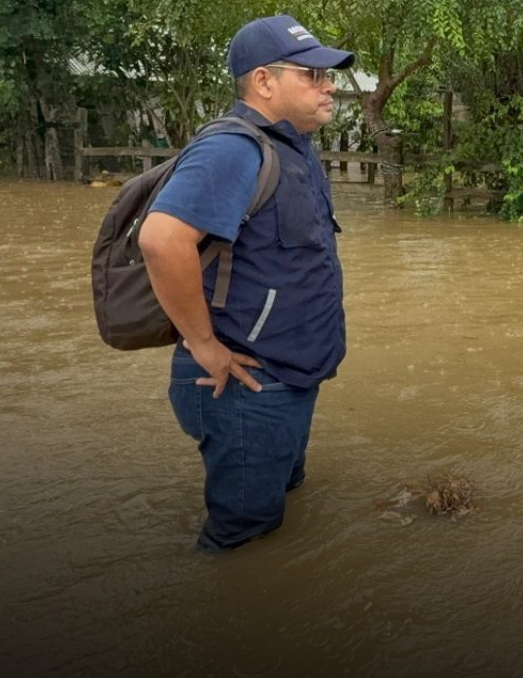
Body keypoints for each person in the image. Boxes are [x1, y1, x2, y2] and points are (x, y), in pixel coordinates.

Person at [138, 15, 355, 552]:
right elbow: (162, 241)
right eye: (312, 75)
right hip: (245, 385)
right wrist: (205, 346)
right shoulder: (234, 150)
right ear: (263, 81)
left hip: (291, 372)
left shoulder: (292, 145)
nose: (330, 87)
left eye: (329, 76)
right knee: (243, 542)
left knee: (285, 498)